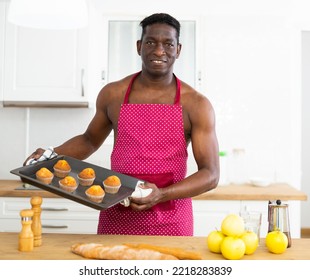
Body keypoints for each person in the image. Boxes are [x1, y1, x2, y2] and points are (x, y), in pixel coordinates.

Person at [24, 13, 219, 236]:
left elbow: (211, 174)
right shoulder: (113, 94)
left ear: (178, 49)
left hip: (171, 217)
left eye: (168, 44)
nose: (158, 51)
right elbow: (89, 140)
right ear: (139, 46)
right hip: (117, 211)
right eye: (150, 42)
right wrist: (52, 154)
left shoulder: (196, 104)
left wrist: (162, 194)